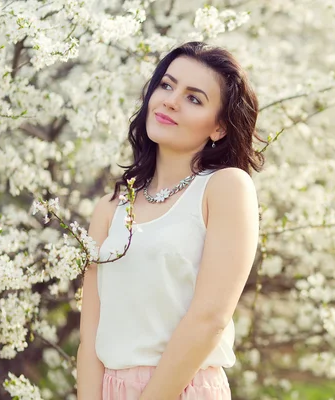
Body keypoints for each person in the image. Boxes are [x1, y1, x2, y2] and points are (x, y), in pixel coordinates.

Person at [76, 41, 266, 399]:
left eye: (194, 98)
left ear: (219, 128)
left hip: (184, 387)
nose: (171, 101)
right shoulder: (109, 209)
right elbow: (91, 337)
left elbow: (209, 319)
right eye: (167, 85)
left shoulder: (225, 188)